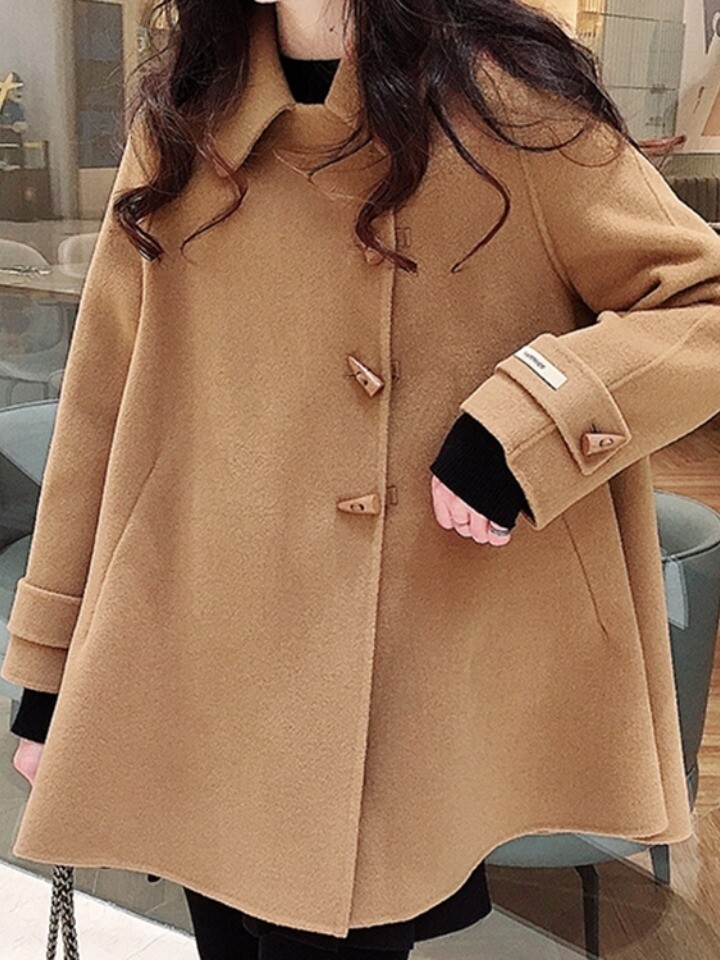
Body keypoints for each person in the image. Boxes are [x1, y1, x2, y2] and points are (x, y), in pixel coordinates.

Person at [5, 0, 720, 958]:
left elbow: (701, 304)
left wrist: (527, 425)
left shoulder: (507, 107)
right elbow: (101, 411)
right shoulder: (187, 117)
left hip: (401, 691)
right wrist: (52, 676)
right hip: (201, 670)